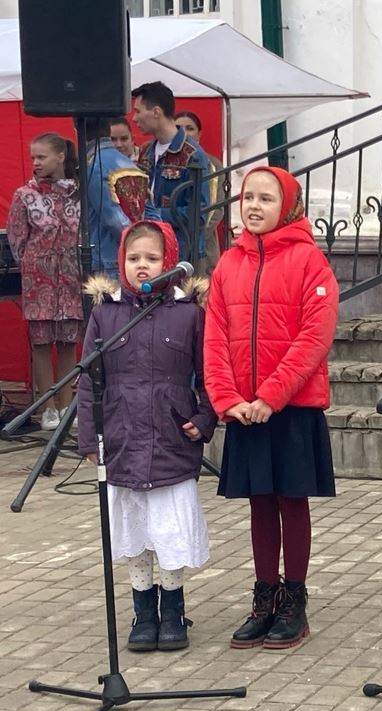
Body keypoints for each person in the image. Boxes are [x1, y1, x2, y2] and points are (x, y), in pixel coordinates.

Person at [204, 167, 339, 651]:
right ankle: (264, 597)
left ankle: (294, 602)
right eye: (247, 198)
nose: (254, 206)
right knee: (260, 502)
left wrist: (271, 396)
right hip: (244, 410)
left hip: (291, 407)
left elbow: (313, 338)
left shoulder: (310, 262)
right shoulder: (227, 265)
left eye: (266, 198)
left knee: (290, 500)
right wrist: (227, 399)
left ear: (289, 206)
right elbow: (215, 336)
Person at [77, 220, 215, 651]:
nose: (142, 266)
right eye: (134, 258)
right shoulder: (105, 314)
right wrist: (88, 440)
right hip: (122, 438)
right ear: (121, 262)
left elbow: (209, 374)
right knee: (135, 530)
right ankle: (143, 610)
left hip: (172, 439)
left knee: (169, 529)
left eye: (152, 259)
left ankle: (172, 609)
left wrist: (205, 418)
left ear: (169, 263)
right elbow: (87, 381)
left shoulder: (189, 313)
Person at [6, 133, 82, 430]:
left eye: (42, 156)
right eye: (33, 157)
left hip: (72, 278)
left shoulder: (79, 192)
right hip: (39, 280)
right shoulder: (24, 194)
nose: (36, 162)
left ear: (60, 157)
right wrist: (34, 264)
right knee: (40, 343)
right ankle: (46, 408)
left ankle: (66, 404)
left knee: (67, 342)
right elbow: (16, 239)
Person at [132, 81, 209, 267]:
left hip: (181, 254)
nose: (134, 118)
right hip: (149, 250)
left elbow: (199, 213)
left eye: (138, 111)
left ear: (156, 112)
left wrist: (154, 215)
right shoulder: (146, 151)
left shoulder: (192, 155)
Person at [84, 129, 152, 280]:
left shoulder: (95, 165)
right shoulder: (132, 165)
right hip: (136, 253)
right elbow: (151, 212)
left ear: (77, 131)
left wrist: (135, 243)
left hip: (109, 255)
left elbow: (113, 219)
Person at [175, 110, 224, 277]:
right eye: (179, 127)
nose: (184, 132)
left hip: (204, 245)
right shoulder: (168, 162)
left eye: (190, 128)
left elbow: (216, 210)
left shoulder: (213, 164)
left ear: (199, 133)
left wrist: (196, 235)